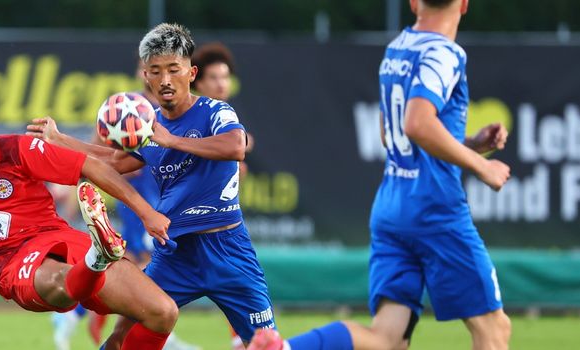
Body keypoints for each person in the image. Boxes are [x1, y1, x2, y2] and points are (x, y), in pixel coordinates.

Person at [249, 0, 512, 349]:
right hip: (435, 208)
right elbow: (417, 124)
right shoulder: (444, 53)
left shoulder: (398, 48)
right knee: (493, 328)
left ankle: (285, 348)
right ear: (464, 4)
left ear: (414, 2)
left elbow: (391, 134)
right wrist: (483, 166)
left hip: (392, 205)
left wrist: (471, 144)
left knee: (386, 338)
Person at [27, 23, 276, 348]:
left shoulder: (214, 110)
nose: (165, 79)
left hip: (228, 249)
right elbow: (114, 161)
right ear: (146, 76)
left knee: (266, 343)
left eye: (174, 69)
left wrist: (172, 140)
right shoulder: (147, 124)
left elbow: (235, 146)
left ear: (191, 73)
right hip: (174, 256)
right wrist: (60, 140)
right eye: (156, 71)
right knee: (122, 336)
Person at [0, 88, 178, 350]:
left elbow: (91, 165)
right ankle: (97, 259)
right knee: (61, 283)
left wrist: (147, 213)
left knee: (162, 312)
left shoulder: (14, 149)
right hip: (12, 260)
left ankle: (96, 259)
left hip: (59, 236)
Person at [192, 42, 254, 181]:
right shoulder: (193, 114)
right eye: (213, 77)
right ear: (199, 83)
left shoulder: (226, 113)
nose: (221, 84)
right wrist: (236, 142)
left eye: (225, 77)